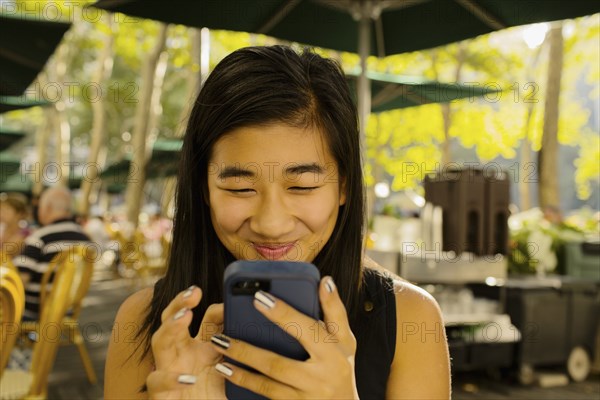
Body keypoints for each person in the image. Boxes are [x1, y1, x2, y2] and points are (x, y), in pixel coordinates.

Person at [105, 45, 450, 399]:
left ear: (344, 186)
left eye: (302, 186)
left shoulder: (411, 319)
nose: (271, 224)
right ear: (203, 188)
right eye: (240, 187)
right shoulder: (144, 321)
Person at [13, 186, 91, 320]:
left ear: (47, 208)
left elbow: (18, 280)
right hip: (67, 311)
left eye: (40, 208)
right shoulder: (86, 240)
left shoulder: (41, 237)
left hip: (34, 311)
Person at [0, 192, 30, 259]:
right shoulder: (2, 228)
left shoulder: (24, 233)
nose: (1, 214)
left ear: (19, 214)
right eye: (1, 210)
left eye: (6, 210)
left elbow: (4, 253)